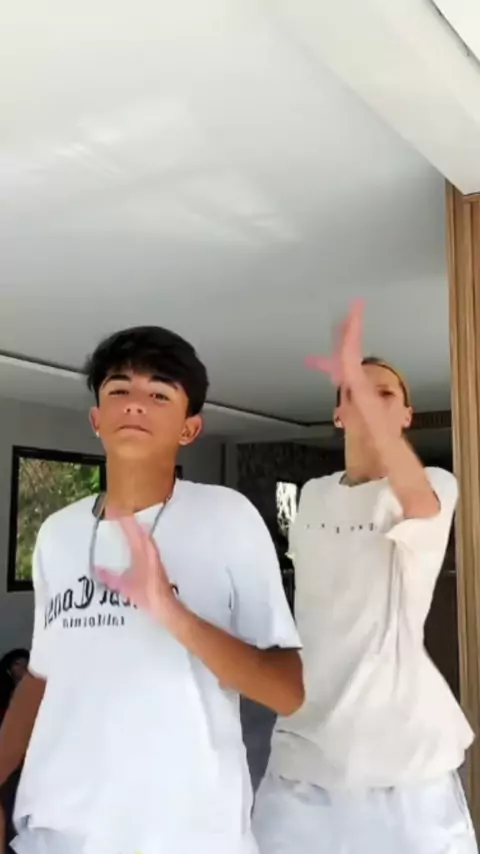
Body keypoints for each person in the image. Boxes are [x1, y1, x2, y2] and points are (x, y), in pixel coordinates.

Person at [1, 326, 303, 854]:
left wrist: (170, 610)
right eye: (119, 389)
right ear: (97, 419)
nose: (136, 403)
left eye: (159, 393)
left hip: (187, 836)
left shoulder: (226, 518)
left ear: (190, 428)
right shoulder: (57, 534)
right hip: (55, 833)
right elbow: (42, 678)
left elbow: (286, 691)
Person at [253, 301, 476, 854]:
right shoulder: (312, 495)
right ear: (337, 415)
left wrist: (354, 375)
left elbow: (418, 504)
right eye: (354, 392)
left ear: (407, 416)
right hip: (304, 754)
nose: (369, 400)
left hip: (405, 764)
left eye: (385, 394)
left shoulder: (434, 485)